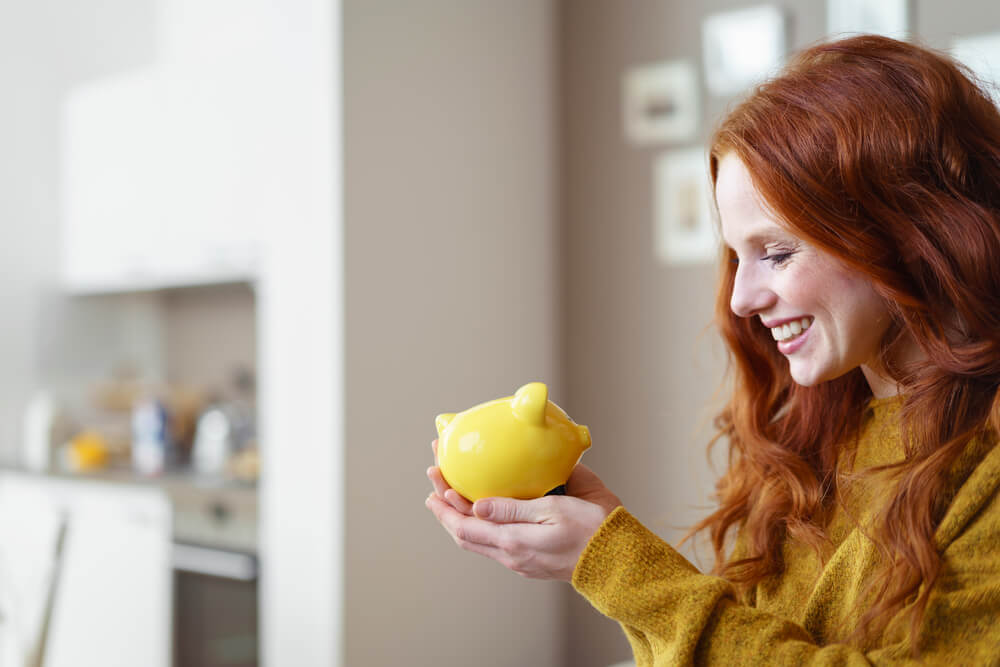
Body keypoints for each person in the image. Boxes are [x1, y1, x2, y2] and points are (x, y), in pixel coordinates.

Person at [425, 34, 1000, 664]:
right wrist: (608, 552)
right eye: (736, 256)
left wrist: (625, 571)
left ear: (911, 231)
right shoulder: (819, 434)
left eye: (777, 252)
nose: (741, 300)